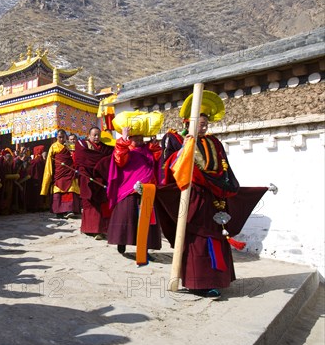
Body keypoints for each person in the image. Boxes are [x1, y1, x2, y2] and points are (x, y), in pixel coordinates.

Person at [155, 95, 268, 298]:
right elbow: (170, 167)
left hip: (215, 198)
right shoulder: (177, 140)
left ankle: (217, 279)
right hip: (193, 197)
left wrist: (226, 189)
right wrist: (184, 150)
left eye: (206, 124)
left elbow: (224, 170)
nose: (204, 127)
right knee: (197, 237)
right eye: (200, 124)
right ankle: (197, 282)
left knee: (217, 234)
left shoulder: (214, 142)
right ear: (187, 123)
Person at [106, 126, 163, 261]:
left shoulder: (148, 150)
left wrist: (155, 145)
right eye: (135, 137)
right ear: (130, 138)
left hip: (147, 189)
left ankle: (144, 249)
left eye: (141, 137)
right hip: (128, 189)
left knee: (148, 221)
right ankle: (122, 241)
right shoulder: (125, 149)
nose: (138, 140)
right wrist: (123, 139)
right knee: (126, 217)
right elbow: (119, 160)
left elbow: (157, 160)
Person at [74, 127, 114, 236]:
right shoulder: (82, 145)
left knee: (101, 203)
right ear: (89, 135)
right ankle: (89, 229)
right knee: (89, 204)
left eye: (98, 135)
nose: (96, 137)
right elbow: (80, 162)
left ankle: (100, 229)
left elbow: (110, 158)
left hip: (100, 177)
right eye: (94, 135)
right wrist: (85, 176)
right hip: (88, 178)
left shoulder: (105, 148)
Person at [41, 129, 80, 219]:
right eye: (60, 137)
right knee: (58, 191)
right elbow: (49, 162)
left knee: (70, 189)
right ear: (56, 137)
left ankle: (69, 210)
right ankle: (59, 211)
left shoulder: (71, 146)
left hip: (69, 172)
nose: (62, 139)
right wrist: (49, 175)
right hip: (59, 173)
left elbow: (76, 156)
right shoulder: (53, 147)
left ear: (66, 137)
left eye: (63, 137)